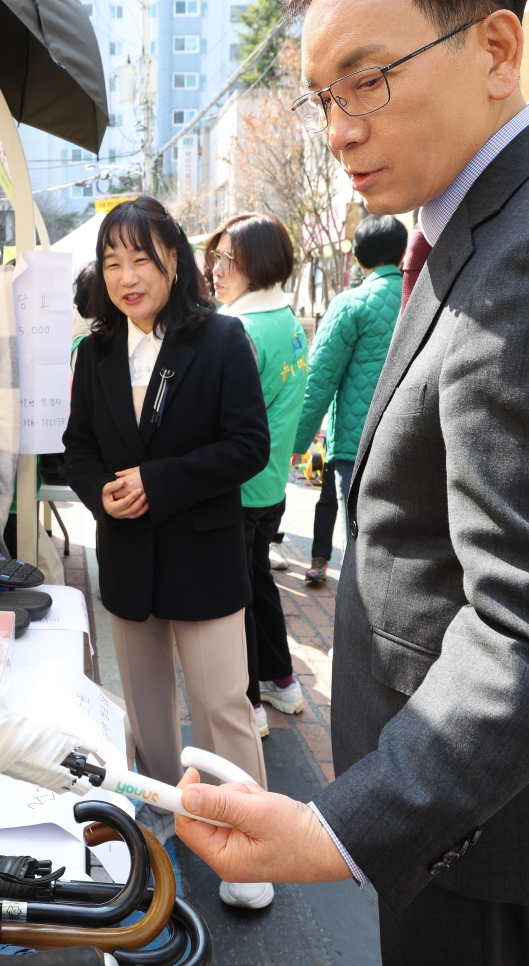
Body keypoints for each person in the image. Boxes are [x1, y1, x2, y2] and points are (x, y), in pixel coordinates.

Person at [170, 0, 529, 963]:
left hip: (484, 805)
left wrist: (334, 827)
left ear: (496, 48)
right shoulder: (495, 222)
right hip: (463, 786)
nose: (339, 127)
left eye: (368, 77)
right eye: (322, 96)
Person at [62, 195, 275, 910]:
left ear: (174, 261)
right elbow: (79, 447)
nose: (127, 276)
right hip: (126, 557)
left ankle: (251, 843)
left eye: (141, 259)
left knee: (222, 705)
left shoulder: (219, 339)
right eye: (112, 261)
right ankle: (167, 810)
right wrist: (100, 493)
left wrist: (158, 482)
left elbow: (249, 445)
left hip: (203, 555)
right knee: (148, 708)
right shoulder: (94, 351)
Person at [206, 214, 310, 734]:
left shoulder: (241, 329)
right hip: (271, 485)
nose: (215, 270)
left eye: (228, 260)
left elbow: (222, 420)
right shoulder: (289, 319)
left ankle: (249, 705)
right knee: (259, 582)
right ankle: (282, 681)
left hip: (240, 487)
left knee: (236, 597)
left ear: (259, 262)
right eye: (216, 258)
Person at [292, 215, 405, 584]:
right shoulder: (424, 296)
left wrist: (297, 442)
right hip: (411, 440)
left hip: (356, 445)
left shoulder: (350, 304)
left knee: (355, 544)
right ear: (402, 254)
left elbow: (319, 380)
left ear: (357, 258)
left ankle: (350, 640)